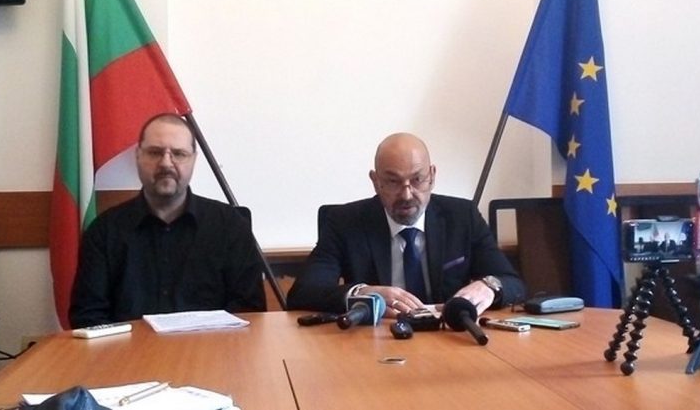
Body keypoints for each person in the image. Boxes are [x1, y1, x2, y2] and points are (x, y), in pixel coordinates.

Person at [287, 132, 525, 317]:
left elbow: (513, 283)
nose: (407, 194)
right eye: (393, 182)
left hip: (447, 337)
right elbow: (303, 293)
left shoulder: (462, 217)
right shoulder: (346, 222)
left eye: (417, 179)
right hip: (374, 341)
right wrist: (362, 293)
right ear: (375, 181)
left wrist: (488, 287)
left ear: (432, 176)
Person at [69, 113, 266, 328]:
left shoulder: (231, 226)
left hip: (212, 348)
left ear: (193, 160)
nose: (166, 163)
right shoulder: (104, 232)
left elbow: (249, 312)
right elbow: (88, 316)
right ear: (138, 156)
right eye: (155, 152)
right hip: (128, 349)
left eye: (179, 154)